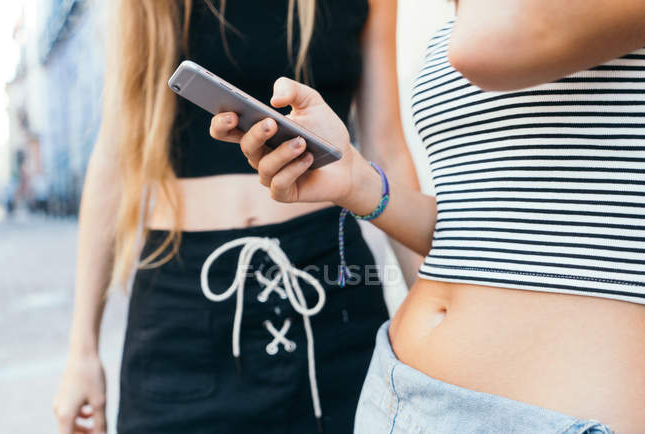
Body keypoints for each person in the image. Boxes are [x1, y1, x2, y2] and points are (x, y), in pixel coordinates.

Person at [209, 0, 645, 432]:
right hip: (400, 394)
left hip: (554, 414)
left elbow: (488, 43)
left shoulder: (491, 24)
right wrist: (357, 182)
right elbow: (479, 235)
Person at [52, 0, 421, 433]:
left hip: (329, 289)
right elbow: (117, 147)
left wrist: (439, 311)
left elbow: (386, 148)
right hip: (182, 302)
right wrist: (82, 352)